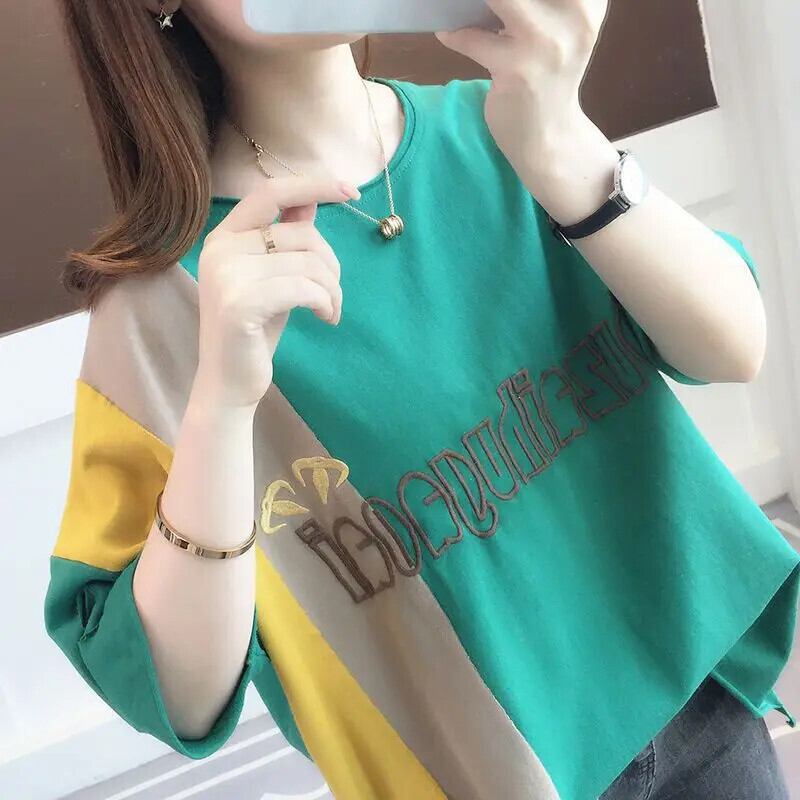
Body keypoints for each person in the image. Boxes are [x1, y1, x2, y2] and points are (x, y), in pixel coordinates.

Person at [43, 1, 798, 798]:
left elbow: (731, 347)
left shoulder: (504, 124)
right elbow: (178, 696)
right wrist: (221, 407)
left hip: (703, 712)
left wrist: (558, 138)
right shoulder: (157, 311)